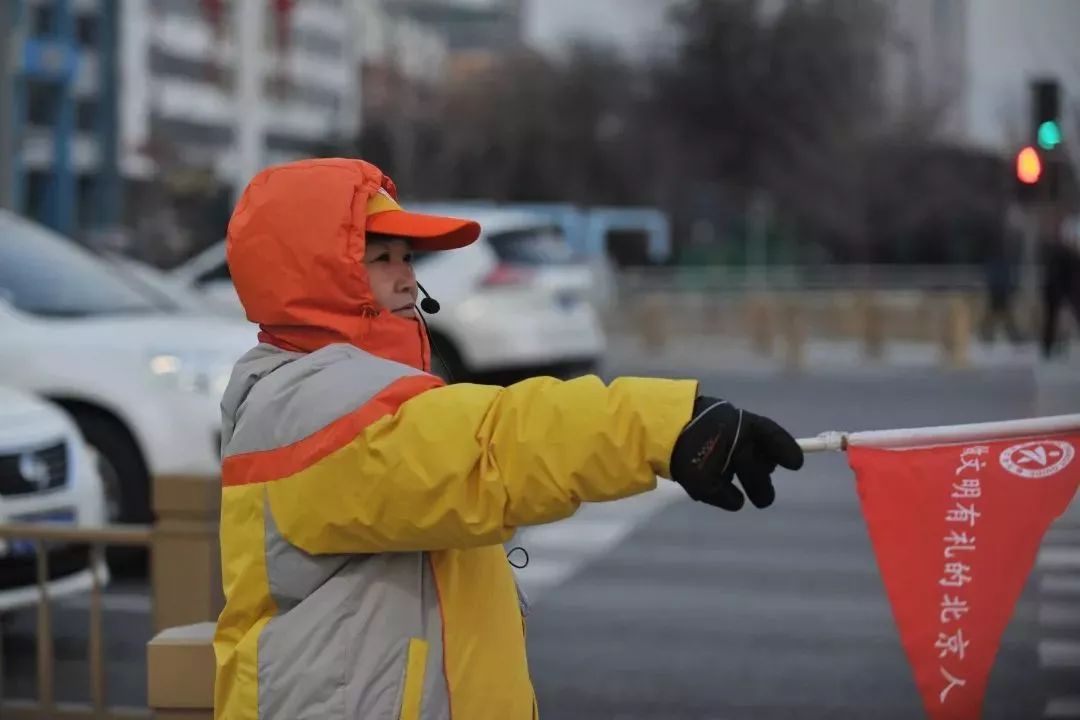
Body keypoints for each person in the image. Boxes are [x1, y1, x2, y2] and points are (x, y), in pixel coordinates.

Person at [214, 158, 804, 720]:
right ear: (316, 275)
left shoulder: (352, 387)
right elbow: (490, 450)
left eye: (407, 255)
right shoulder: (310, 403)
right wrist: (661, 426)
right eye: (380, 257)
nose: (407, 275)